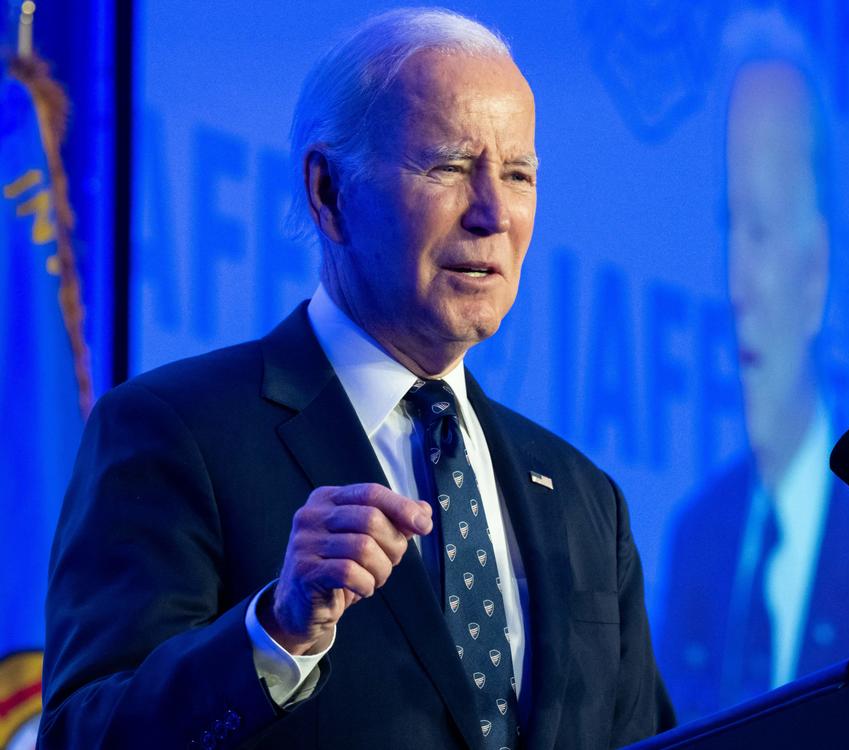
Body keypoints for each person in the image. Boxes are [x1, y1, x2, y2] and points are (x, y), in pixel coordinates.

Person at [40, 8, 673, 749]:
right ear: (330, 192)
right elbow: (83, 737)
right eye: (447, 166)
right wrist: (276, 633)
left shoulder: (582, 497)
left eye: (518, 174)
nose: (493, 213)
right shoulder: (175, 433)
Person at [656, 58, 849, 722]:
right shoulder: (696, 535)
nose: (740, 282)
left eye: (764, 231)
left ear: (816, 271)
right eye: (731, 227)